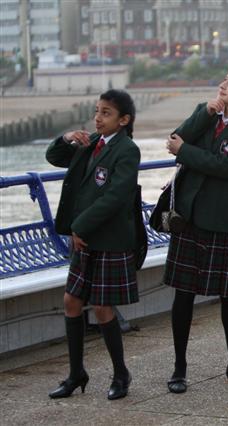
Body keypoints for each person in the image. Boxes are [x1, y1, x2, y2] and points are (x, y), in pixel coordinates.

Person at [163, 65, 228, 393]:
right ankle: (179, 368)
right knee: (183, 294)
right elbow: (175, 140)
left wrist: (187, 152)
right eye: (224, 80)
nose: (223, 86)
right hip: (190, 216)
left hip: (224, 219)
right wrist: (203, 117)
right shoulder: (205, 112)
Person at [46, 89, 140, 400]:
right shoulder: (90, 145)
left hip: (108, 239)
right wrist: (67, 138)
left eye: (106, 113)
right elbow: (55, 157)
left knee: (102, 307)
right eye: (97, 111)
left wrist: (79, 226)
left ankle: (120, 374)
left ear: (124, 120)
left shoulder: (127, 150)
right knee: (72, 301)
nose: (98, 118)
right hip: (83, 240)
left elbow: (116, 196)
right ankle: (76, 373)